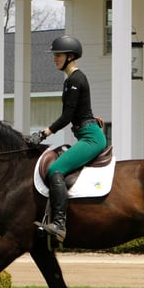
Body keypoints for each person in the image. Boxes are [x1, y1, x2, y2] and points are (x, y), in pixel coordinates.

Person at [29, 35, 107, 242]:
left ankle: (59, 224)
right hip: (86, 133)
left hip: (90, 138)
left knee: (55, 169)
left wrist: (42, 134)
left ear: (70, 56)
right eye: (55, 55)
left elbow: (67, 116)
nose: (55, 59)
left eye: (58, 55)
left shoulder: (75, 80)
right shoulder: (71, 80)